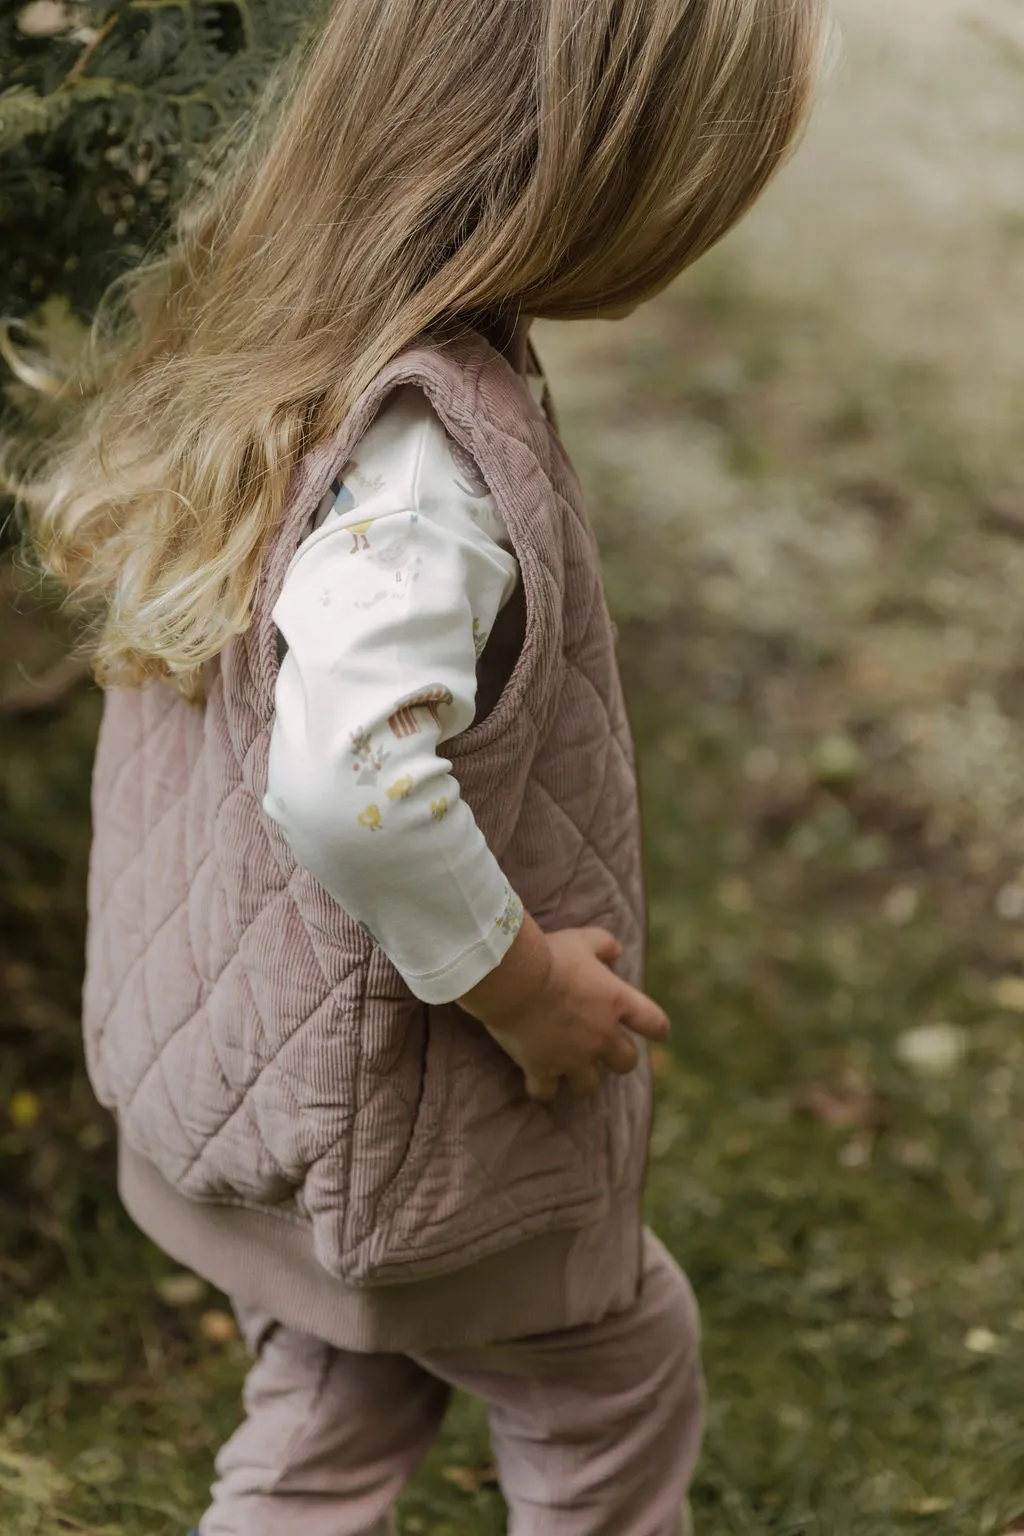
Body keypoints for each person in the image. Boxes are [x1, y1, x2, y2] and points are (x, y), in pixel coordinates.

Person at [9, 1, 831, 1530]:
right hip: (418, 1131)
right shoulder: (425, 464)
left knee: (333, 1399)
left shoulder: (285, 345)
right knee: (618, 1381)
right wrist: (518, 983)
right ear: (594, 175)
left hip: (267, 1119)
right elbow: (344, 778)